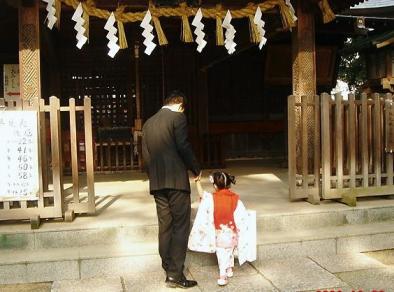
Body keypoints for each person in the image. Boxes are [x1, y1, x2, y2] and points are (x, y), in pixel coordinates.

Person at [142, 90, 201, 289]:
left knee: (164, 225)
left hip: (157, 182)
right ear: (180, 105)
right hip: (176, 181)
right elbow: (183, 146)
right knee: (180, 226)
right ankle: (175, 274)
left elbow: (146, 156)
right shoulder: (178, 118)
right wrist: (195, 168)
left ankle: (168, 266)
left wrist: (154, 178)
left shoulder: (148, 123)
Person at [189, 171, 256, 286]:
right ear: (229, 184)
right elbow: (241, 216)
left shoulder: (212, 198)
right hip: (232, 232)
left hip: (219, 233)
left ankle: (223, 275)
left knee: (221, 254)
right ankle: (229, 269)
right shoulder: (235, 198)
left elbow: (202, 195)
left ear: (214, 185)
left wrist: (197, 181)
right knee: (229, 250)